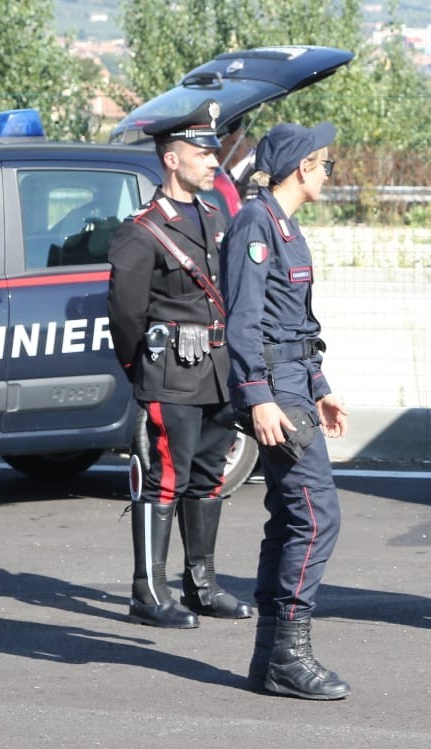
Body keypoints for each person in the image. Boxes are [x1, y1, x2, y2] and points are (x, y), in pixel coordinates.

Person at [107, 99, 253, 629]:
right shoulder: (142, 230)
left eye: (214, 152)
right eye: (202, 152)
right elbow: (125, 316)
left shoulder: (215, 214)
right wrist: (141, 374)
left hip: (217, 369)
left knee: (209, 476)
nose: (214, 162)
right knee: (164, 478)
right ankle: (148, 592)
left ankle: (201, 585)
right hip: (171, 371)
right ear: (172, 159)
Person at [222, 122, 351, 700]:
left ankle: (270, 656)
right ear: (303, 167)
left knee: (289, 517)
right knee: (315, 516)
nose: (329, 174)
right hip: (276, 391)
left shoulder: (285, 226)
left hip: (296, 385)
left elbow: (295, 322)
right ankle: (290, 655)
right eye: (327, 165)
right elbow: (243, 320)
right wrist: (258, 398)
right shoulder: (255, 223)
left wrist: (320, 385)